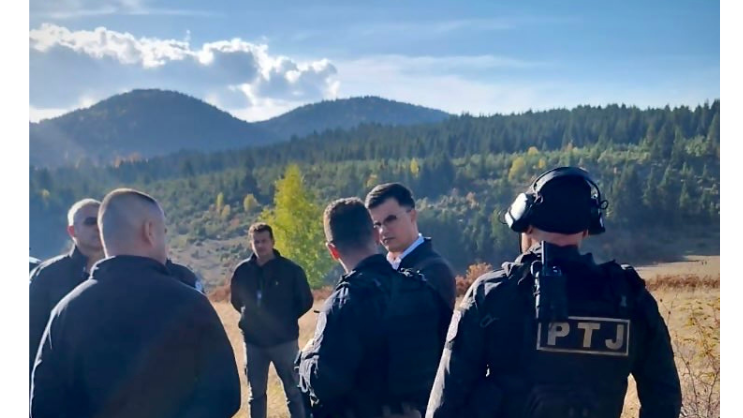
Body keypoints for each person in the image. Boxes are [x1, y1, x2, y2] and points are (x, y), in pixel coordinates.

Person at [426, 166, 682, 418]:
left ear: (525, 224)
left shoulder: (491, 294)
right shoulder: (629, 296)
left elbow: (445, 404)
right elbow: (664, 397)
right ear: (587, 229)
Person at [30, 188, 241, 418]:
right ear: (149, 231)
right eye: (163, 232)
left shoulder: (65, 311)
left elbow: (43, 403)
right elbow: (225, 394)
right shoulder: (190, 303)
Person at [298, 198, 451, 418]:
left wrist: (305, 360)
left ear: (332, 250)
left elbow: (325, 384)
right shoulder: (420, 288)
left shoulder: (344, 303)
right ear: (376, 235)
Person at [229, 222, 313, 418]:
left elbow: (305, 300)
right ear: (251, 243)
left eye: (264, 241)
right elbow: (236, 300)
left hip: (284, 341)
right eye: (256, 242)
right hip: (254, 343)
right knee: (256, 394)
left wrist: (285, 319)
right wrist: (251, 320)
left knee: (294, 391)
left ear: (272, 242)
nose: (260, 245)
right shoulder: (242, 272)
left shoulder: (290, 270)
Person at [29, 198, 105, 377]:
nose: (98, 227)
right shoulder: (47, 275)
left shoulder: (122, 272)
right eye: (90, 222)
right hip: (60, 379)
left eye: (102, 221)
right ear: (72, 231)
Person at [365, 183, 457, 310]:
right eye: (377, 225)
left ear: (412, 215)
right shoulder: (378, 271)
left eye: (390, 219)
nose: (383, 230)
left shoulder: (435, 271)